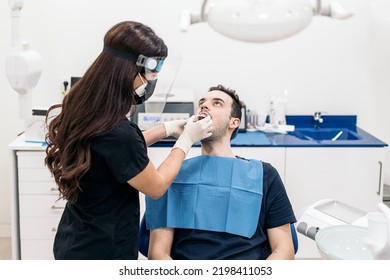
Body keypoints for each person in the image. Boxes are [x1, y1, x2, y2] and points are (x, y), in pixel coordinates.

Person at [44, 21, 213, 260]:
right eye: (151, 73)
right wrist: (186, 141)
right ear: (129, 71)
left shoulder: (89, 110)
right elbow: (156, 186)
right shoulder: (118, 131)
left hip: (74, 239)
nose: (151, 81)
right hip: (102, 251)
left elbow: (112, 154)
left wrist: (165, 129)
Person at [146, 84, 297, 260]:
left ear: (234, 122)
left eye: (217, 103)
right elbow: (158, 254)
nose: (204, 105)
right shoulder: (171, 175)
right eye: (202, 102)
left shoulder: (264, 175)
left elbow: (284, 250)